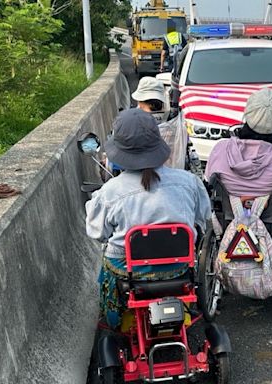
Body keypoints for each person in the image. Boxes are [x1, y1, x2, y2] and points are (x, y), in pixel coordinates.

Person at [86, 108, 211, 329]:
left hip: (128, 271)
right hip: (177, 267)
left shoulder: (110, 192)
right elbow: (202, 219)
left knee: (107, 263)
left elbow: (97, 233)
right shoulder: (189, 182)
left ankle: (113, 321)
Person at [204, 87, 272, 198]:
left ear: (248, 114)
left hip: (226, 213)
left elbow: (209, 177)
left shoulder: (221, 149)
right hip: (270, 214)